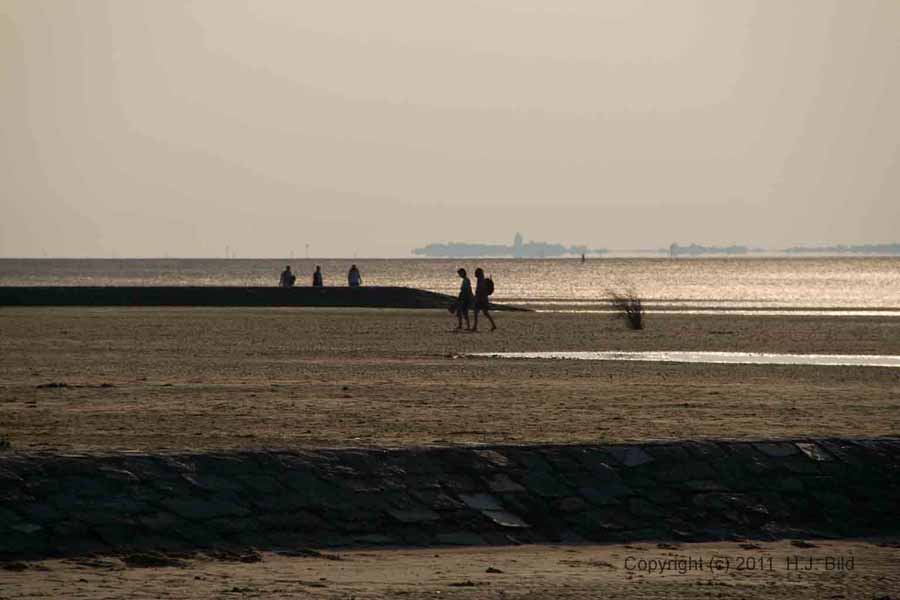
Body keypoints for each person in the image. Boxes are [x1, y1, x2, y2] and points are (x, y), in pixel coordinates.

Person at [472, 267, 497, 332]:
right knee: (484, 313)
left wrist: (477, 297)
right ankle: (493, 325)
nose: (475, 274)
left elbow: (480, 290)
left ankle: (475, 327)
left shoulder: (481, 280)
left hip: (481, 299)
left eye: (476, 273)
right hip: (483, 299)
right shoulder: (481, 280)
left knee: (476, 312)